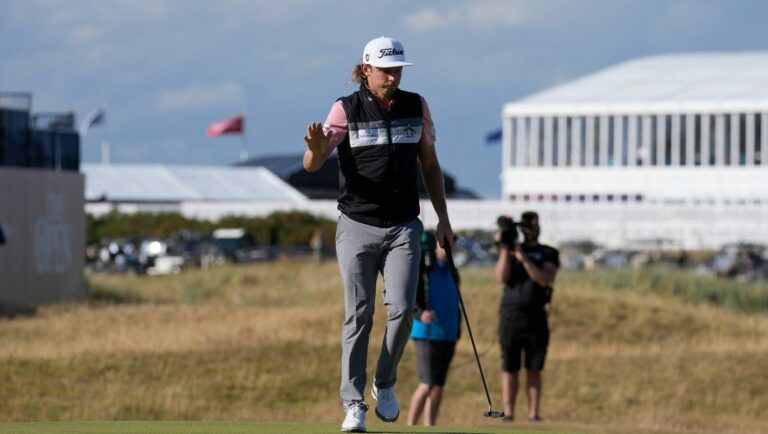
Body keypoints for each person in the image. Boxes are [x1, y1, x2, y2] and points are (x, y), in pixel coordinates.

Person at [303, 36, 454, 433]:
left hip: (404, 224)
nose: (393, 76)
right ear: (365, 70)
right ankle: (353, 404)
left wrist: (443, 218)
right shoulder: (345, 109)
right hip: (357, 224)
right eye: (386, 70)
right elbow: (312, 161)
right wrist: (317, 150)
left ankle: (383, 382)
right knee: (360, 314)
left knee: (404, 310)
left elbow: (430, 165)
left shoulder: (415, 105)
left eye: (398, 69)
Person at [494, 211, 559, 422]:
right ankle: (509, 413)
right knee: (509, 367)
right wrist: (505, 247)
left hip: (536, 316)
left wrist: (525, 259)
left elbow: (544, 279)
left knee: (534, 367)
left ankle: (533, 414)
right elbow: (501, 277)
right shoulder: (511, 251)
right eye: (529, 225)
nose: (532, 229)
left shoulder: (548, 252)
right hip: (511, 316)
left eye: (535, 224)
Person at [407, 231, 460, 426]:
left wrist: (458, 329)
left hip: (448, 333)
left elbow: (456, 303)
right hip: (426, 333)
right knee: (426, 384)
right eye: (444, 243)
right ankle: (411, 426)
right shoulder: (423, 268)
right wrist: (420, 313)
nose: (448, 246)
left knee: (438, 386)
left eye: (451, 243)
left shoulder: (452, 270)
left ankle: (430, 427)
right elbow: (409, 296)